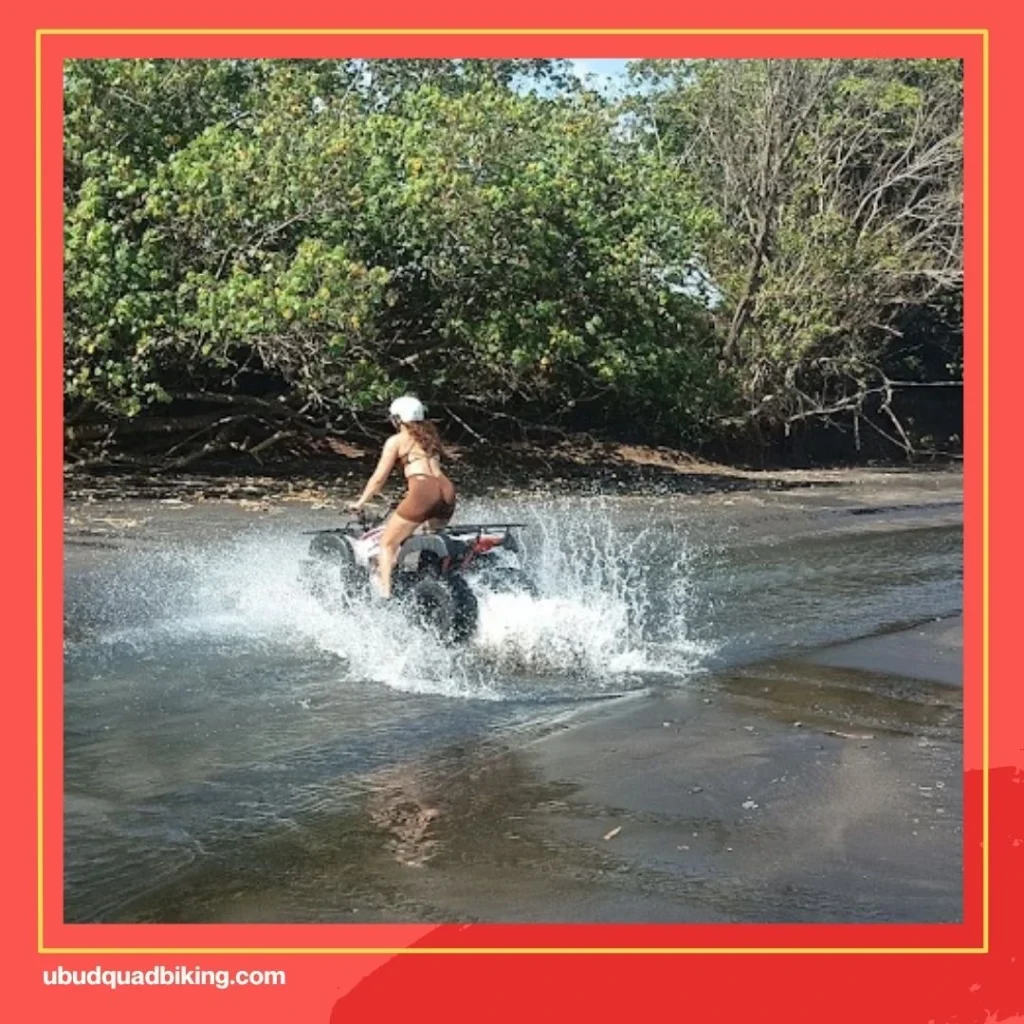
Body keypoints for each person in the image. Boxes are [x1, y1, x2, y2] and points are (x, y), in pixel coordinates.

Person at [349, 396, 456, 599]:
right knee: (428, 538)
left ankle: (385, 596)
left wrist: (360, 502)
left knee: (387, 544)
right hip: (447, 490)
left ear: (398, 419)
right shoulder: (430, 438)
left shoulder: (397, 441)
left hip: (424, 491)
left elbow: (379, 478)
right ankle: (435, 582)